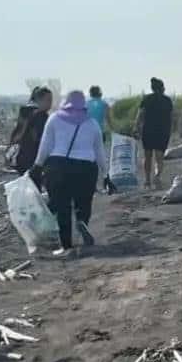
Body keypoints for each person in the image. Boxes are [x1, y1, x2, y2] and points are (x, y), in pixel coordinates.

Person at [30, 90, 110, 258]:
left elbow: (45, 145)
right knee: (84, 202)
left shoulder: (54, 119)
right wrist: (106, 174)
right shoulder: (92, 123)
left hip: (59, 167)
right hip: (86, 168)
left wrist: (37, 165)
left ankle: (66, 246)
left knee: (62, 206)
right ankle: (82, 221)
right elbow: (99, 151)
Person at [135, 77, 174, 190]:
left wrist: (136, 127)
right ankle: (157, 177)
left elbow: (140, 114)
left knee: (147, 156)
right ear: (162, 88)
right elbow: (171, 117)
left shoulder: (147, 99)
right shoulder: (167, 100)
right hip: (163, 131)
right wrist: (170, 129)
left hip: (148, 131)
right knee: (159, 157)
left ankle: (147, 180)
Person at [9, 87, 53, 176]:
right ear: (39, 100)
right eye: (48, 100)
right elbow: (41, 139)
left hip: (20, 156)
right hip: (34, 159)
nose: (50, 104)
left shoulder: (25, 111)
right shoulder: (41, 116)